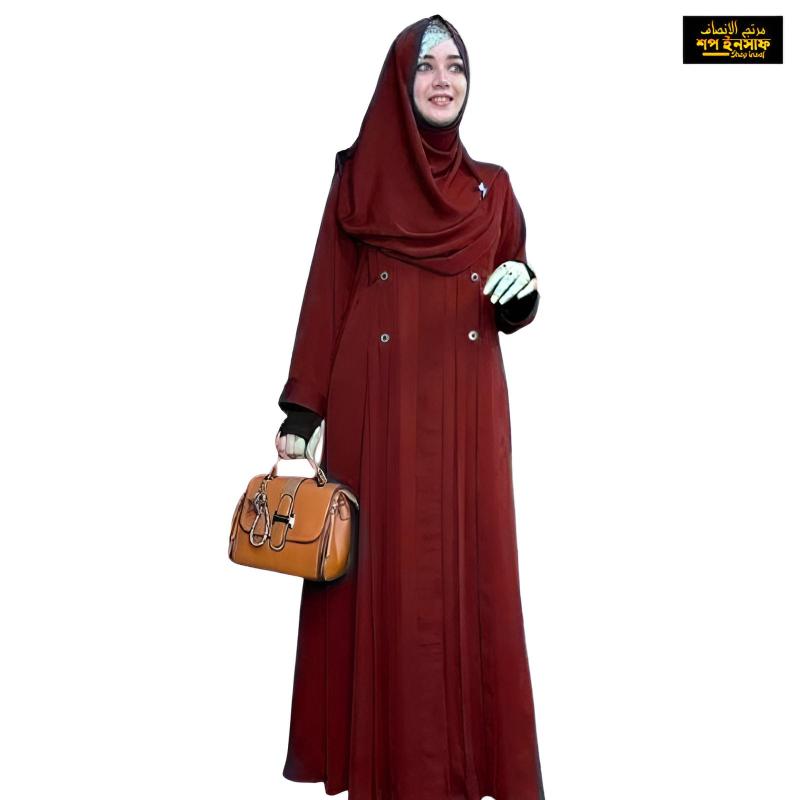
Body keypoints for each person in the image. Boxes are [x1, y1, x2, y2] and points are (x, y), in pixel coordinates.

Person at [275, 15, 545, 800]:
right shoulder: (358, 178)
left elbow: (512, 283)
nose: (442, 79)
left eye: (455, 65)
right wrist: (303, 409)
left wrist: (522, 294)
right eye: (425, 65)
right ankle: (384, 769)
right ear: (400, 81)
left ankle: (466, 768)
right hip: (378, 410)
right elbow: (328, 290)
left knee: (472, 572)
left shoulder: (493, 189)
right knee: (379, 579)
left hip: (465, 409)